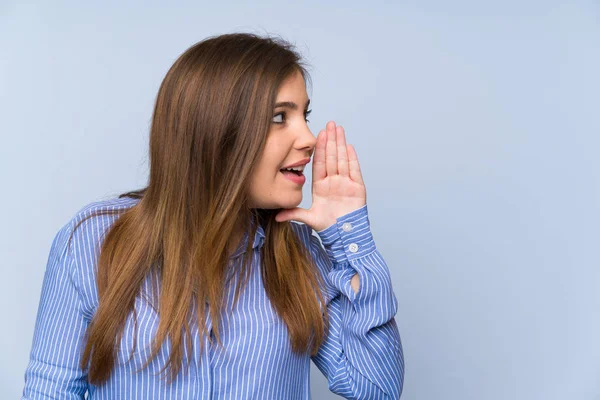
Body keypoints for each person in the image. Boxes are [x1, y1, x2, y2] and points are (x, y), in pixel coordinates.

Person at [21, 32, 404, 399]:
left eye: (304, 115)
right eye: (279, 117)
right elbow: (49, 391)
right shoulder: (92, 241)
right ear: (216, 130)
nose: (309, 138)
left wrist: (351, 237)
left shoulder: (298, 249)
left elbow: (376, 386)